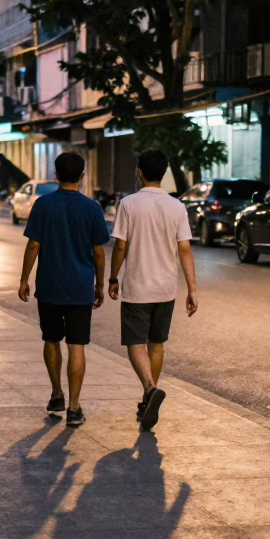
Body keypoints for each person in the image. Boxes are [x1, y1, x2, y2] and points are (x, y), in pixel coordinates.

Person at [108, 148, 199, 432]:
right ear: (164, 173)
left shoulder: (129, 204)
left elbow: (120, 245)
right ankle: (148, 399)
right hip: (166, 289)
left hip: (137, 287)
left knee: (136, 344)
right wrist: (192, 289)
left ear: (140, 172)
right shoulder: (177, 207)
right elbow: (184, 248)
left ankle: (149, 390)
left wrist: (112, 277)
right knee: (156, 344)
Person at [18, 151, 108, 427]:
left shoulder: (43, 204)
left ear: (56, 175)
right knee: (77, 345)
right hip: (80, 288)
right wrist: (100, 284)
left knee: (51, 339)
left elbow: (34, 244)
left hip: (49, 286)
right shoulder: (92, 208)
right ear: (82, 176)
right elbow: (99, 252)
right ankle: (74, 407)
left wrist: (24, 279)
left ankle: (56, 392)